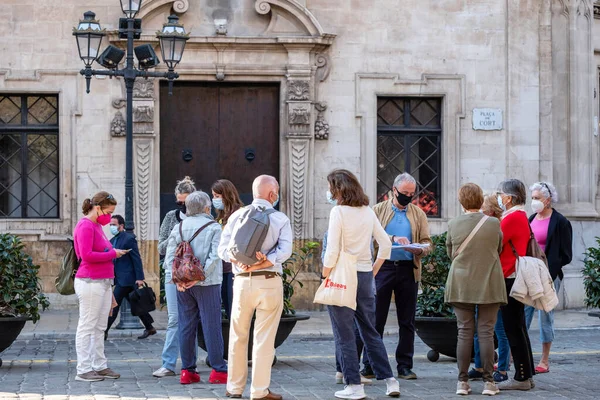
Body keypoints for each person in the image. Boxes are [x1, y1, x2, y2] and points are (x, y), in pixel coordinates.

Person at [322, 169, 400, 400]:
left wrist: (325, 274)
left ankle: (354, 385)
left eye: (330, 187)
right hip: (365, 276)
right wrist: (373, 269)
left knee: (344, 333)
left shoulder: (338, 212)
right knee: (370, 331)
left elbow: (333, 250)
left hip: (342, 276)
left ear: (337, 189)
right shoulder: (367, 211)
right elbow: (385, 244)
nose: (329, 192)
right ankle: (390, 381)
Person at [218, 175, 293, 400]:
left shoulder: (237, 216)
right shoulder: (280, 218)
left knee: (238, 335)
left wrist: (238, 260)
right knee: (264, 338)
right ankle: (259, 391)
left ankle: (234, 388)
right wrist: (266, 261)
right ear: (273, 194)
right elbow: (286, 250)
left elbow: (222, 249)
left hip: (241, 282)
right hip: (268, 281)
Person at [364, 172, 432, 380]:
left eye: (412, 194)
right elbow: (371, 238)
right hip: (382, 267)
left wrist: (420, 250)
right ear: (393, 191)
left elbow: (428, 242)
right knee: (376, 319)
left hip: (407, 269)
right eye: (404, 193)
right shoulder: (377, 210)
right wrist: (392, 238)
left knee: (407, 320)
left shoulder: (418, 214)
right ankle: (370, 364)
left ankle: (404, 365)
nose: (408, 197)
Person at [445, 184, 507, 396]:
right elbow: (498, 249)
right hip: (489, 282)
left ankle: (462, 382)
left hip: (461, 283)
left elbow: (450, 252)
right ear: (481, 201)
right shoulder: (493, 223)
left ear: (461, 201)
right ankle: (489, 383)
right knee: (486, 333)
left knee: (464, 331)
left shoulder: (453, 223)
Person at [164, 191, 228, 385]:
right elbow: (214, 257)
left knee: (186, 325)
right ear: (207, 207)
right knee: (211, 325)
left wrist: (179, 280)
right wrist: (199, 277)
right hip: (207, 283)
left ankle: (187, 370)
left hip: (183, 284)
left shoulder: (179, 226)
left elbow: (169, 257)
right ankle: (219, 370)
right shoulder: (214, 227)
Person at [73, 191, 127, 382]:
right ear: (98, 208)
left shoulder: (95, 226)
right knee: (87, 326)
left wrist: (110, 253)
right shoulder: (86, 225)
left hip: (102, 282)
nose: (109, 217)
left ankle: (99, 365)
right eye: (108, 212)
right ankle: (84, 369)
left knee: (99, 326)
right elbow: (86, 255)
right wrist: (113, 253)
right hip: (90, 281)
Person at [525, 182, 573, 373]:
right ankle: (514, 354)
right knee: (522, 315)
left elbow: (567, 254)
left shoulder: (561, 222)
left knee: (545, 317)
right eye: (533, 198)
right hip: (529, 273)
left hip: (549, 276)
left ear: (548, 199)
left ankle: (544, 360)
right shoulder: (531, 218)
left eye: (537, 198)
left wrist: (550, 269)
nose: (534, 201)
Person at [153, 176, 196, 378]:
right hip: (173, 272)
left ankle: (191, 363)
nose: (182, 205)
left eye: (185, 202)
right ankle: (168, 364)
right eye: (179, 201)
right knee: (174, 319)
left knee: (192, 318)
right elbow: (161, 247)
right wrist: (176, 237)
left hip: (195, 274)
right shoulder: (171, 217)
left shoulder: (203, 217)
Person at [496, 179, 535, 390]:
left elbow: (496, 242)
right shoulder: (519, 216)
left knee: (513, 328)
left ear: (509, 198)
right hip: (513, 276)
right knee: (518, 327)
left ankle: (521, 378)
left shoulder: (512, 218)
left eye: (500, 194)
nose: (499, 198)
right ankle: (526, 374)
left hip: (509, 278)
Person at [469, 194, 512, 383]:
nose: (480, 211)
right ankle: (479, 366)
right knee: (480, 327)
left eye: (484, 208)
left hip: (496, 281)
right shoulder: (487, 226)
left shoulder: (498, 227)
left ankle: (502, 369)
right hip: (482, 280)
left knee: (500, 329)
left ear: (491, 211)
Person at [321, 230, 372, 386]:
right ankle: (350, 371)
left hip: (338, 280)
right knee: (357, 328)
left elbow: (326, 255)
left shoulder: (331, 229)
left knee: (341, 329)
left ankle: (342, 370)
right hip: (358, 280)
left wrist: (326, 275)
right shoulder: (363, 229)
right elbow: (370, 254)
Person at [105, 215, 156, 340]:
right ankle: (150, 327)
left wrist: (140, 277)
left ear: (121, 226)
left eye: (114, 224)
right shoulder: (112, 240)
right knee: (137, 304)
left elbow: (136, 258)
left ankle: (104, 331)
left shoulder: (128, 238)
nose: (112, 227)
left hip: (128, 279)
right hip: (120, 278)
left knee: (114, 304)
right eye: (110, 224)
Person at [211, 179, 244, 320]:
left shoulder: (240, 214)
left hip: (233, 269)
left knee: (234, 310)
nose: (215, 200)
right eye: (213, 196)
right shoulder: (220, 217)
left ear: (227, 195)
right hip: (221, 269)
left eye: (217, 196)